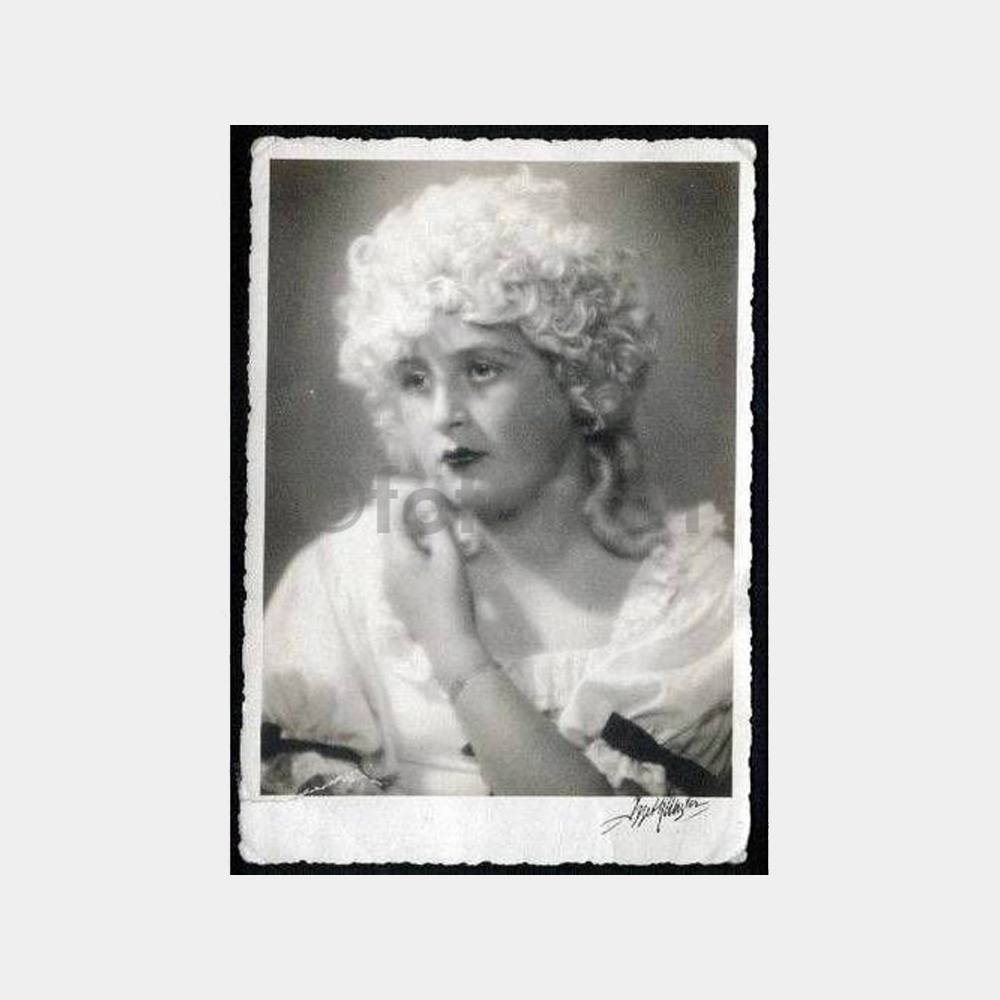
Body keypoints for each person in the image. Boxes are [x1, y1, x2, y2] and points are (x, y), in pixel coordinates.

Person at [261, 169, 733, 797]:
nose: (443, 414)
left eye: (481, 369)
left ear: (577, 378)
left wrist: (453, 646)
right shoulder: (339, 583)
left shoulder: (699, 594)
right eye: (414, 379)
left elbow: (614, 843)